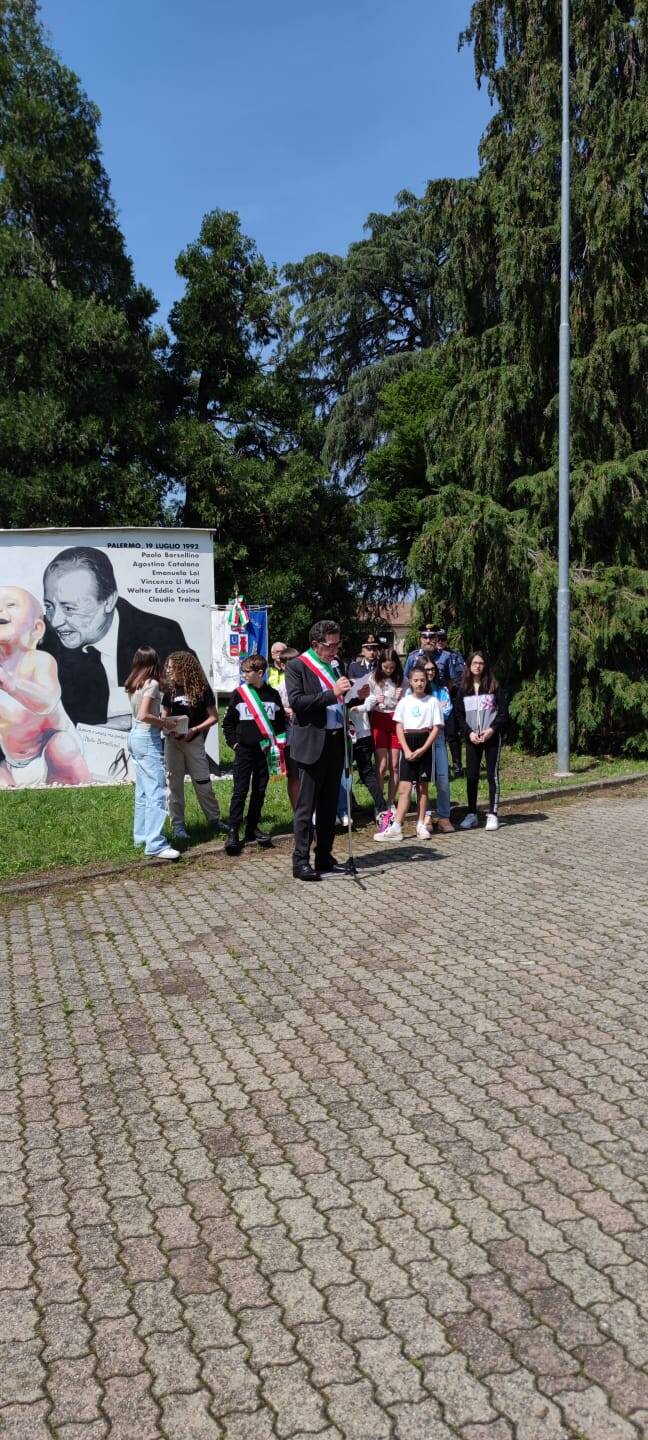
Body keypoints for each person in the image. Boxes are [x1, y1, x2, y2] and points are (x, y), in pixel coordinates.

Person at [40, 546, 189, 727]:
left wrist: (135, 724)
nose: (55, 621)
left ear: (108, 601)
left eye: (69, 608)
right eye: (49, 606)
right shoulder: (44, 641)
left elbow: (191, 706)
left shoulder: (161, 635)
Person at [0, 585, 91, 788]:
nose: (1, 609)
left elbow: (47, 701)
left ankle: (72, 789)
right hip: (11, 760)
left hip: (47, 752)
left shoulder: (39, 660)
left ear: (37, 629)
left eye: (10, 605)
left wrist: (10, 683)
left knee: (62, 747)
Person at [285, 619, 352, 881]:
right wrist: (332, 694)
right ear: (315, 644)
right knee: (306, 806)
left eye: (338, 643)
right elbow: (298, 702)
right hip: (312, 743)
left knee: (328, 805)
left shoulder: (336, 666)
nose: (335, 649)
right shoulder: (297, 666)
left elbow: (340, 700)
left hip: (335, 741)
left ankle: (324, 855)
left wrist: (356, 695)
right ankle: (300, 860)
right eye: (331, 644)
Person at [222, 653, 286, 856]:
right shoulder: (239, 694)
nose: (243, 676)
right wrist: (234, 744)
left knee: (260, 791)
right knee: (240, 791)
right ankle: (233, 830)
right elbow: (228, 723)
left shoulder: (273, 695)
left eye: (246, 672)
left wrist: (278, 747)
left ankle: (252, 827)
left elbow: (280, 724)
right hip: (244, 752)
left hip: (265, 752)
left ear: (260, 673)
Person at [374, 662, 442, 843]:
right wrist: (405, 748)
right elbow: (398, 726)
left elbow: (436, 728)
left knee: (422, 787)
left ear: (427, 681)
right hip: (407, 743)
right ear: (409, 682)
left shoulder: (433, 701)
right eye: (415, 680)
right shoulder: (404, 702)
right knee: (404, 788)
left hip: (424, 744)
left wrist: (423, 749)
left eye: (422, 680)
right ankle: (396, 826)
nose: (419, 683)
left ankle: (420, 824)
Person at [161, 651, 224, 841]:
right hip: (173, 742)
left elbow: (214, 717)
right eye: (168, 667)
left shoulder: (202, 688)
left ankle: (214, 820)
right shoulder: (170, 691)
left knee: (203, 781)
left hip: (193, 740)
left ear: (184, 668)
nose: (169, 671)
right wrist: (169, 726)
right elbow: (164, 715)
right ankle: (178, 826)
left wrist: (195, 729)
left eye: (172, 667)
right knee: (174, 784)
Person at [124, 646, 179, 860]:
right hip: (147, 737)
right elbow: (144, 714)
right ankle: (155, 843)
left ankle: (142, 836)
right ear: (155, 662)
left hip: (135, 736)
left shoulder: (133, 682)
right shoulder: (153, 684)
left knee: (143, 792)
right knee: (157, 790)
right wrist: (165, 722)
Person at [455, 651, 509, 832]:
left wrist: (491, 730)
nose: (477, 666)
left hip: (491, 737)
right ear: (469, 665)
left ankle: (493, 814)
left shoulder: (494, 686)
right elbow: (459, 714)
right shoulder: (464, 688)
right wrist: (469, 733)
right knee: (472, 776)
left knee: (492, 775)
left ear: (485, 665)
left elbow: (502, 713)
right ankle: (471, 813)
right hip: (472, 738)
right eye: (474, 663)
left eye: (481, 663)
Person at [364, 647, 403, 827]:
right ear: (380, 665)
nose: (388, 671)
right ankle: (379, 805)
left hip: (395, 720)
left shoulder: (400, 678)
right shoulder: (373, 678)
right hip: (379, 719)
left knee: (395, 764)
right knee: (382, 763)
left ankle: (390, 802)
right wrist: (374, 699)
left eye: (392, 667)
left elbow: (408, 701)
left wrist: (402, 697)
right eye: (386, 667)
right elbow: (367, 701)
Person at [422, 656, 454, 833]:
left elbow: (447, 710)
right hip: (422, 738)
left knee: (443, 778)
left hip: (439, 737)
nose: (430, 673)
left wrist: (433, 713)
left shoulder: (442, 689)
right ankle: (426, 816)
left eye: (432, 669)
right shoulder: (415, 690)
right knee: (424, 779)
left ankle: (444, 816)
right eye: (426, 670)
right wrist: (436, 710)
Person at [433, 627, 466, 777]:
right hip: (432, 698)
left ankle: (457, 765)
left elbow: (461, 676)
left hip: (450, 697)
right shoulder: (428, 655)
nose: (440, 642)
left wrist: (450, 689)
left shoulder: (454, 655)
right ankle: (439, 766)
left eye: (443, 639)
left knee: (452, 734)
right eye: (437, 639)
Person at [276, 646, 301, 811]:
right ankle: (297, 811)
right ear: (283, 665)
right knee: (294, 774)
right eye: (290, 663)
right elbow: (275, 706)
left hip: (306, 730)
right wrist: (285, 710)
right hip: (290, 731)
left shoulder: (306, 681)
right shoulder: (280, 687)